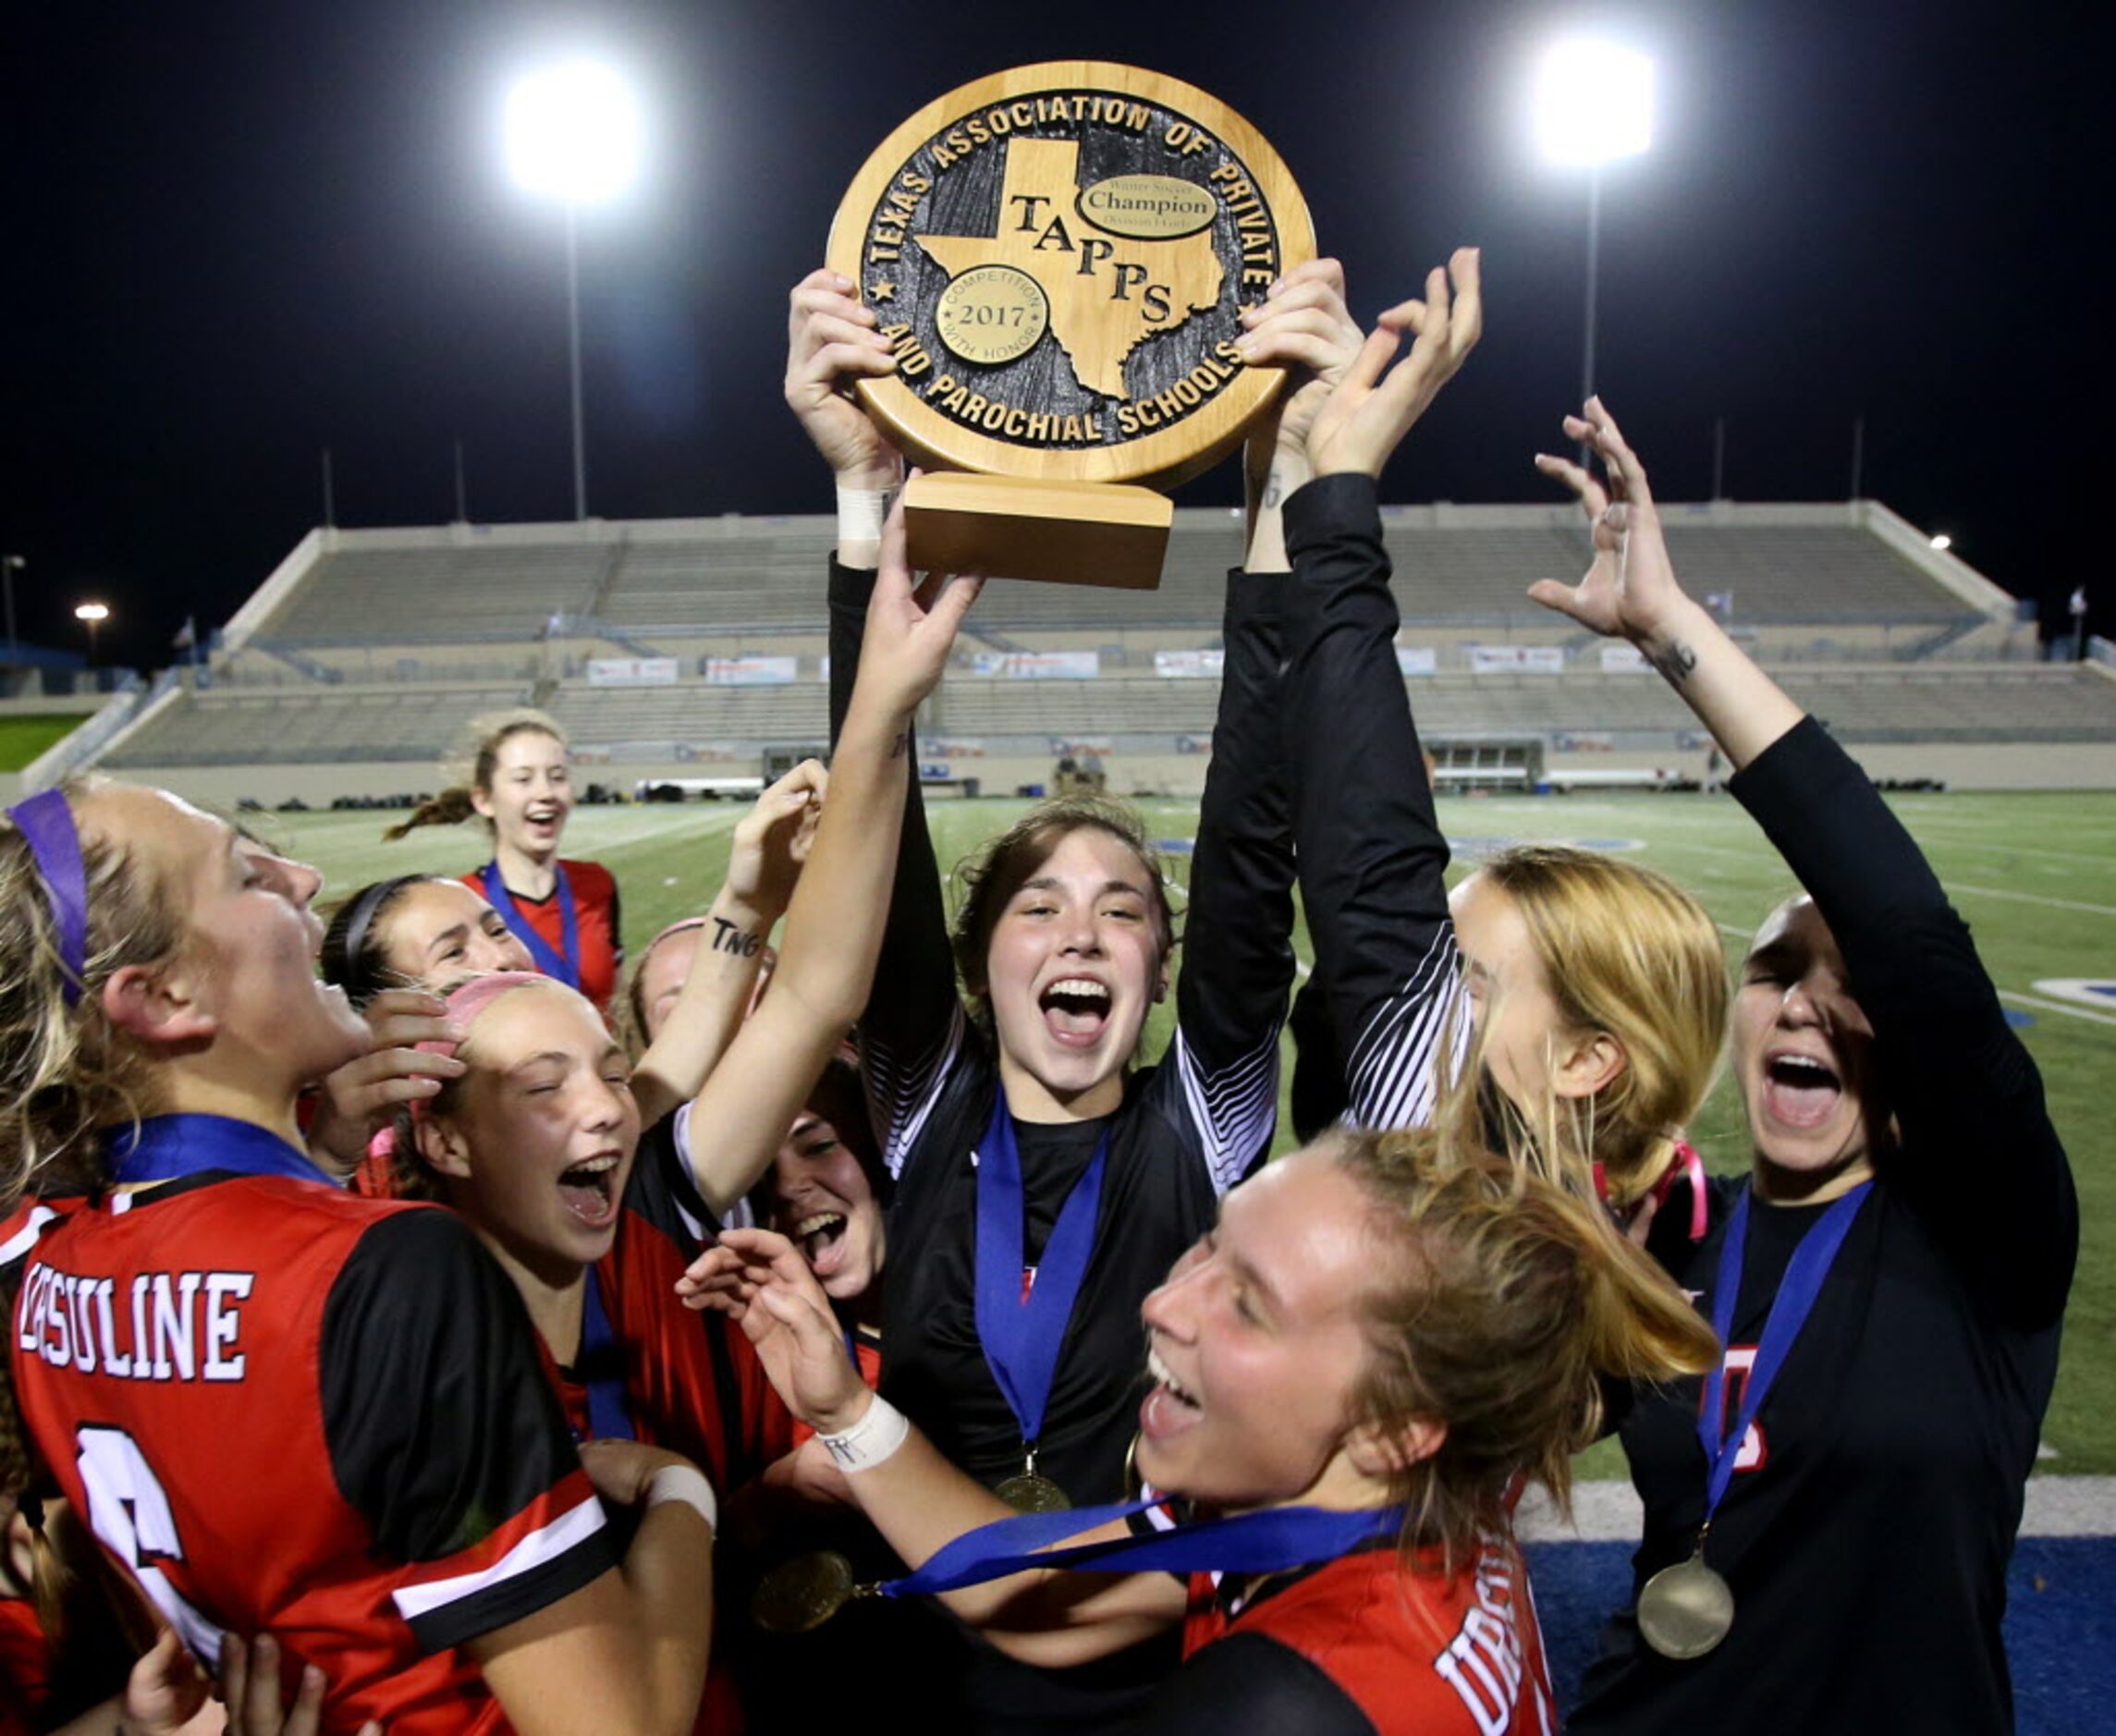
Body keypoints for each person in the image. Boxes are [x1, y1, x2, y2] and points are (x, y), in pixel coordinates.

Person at [1525, 400, 2076, 1732]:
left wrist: (1673, 639)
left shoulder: (1986, 1224)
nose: (1811, 1009)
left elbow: (1905, 928)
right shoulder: (1676, 1225)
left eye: (1854, 988)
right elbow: (1512, 1437)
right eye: (1776, 972)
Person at [0, 782, 715, 1736]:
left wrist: (319, 1149)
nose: (305, 878)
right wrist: (680, 1495)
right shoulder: (387, 1268)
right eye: (248, 877)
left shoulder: (45, 1263)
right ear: (163, 996)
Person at [693, 1123, 1719, 1735]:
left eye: (1250, 1304)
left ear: (1399, 1425)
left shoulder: (1277, 1707)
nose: (1165, 1303)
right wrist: (845, 1412)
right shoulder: (1385, 1511)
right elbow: (1029, 1591)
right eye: (1210, 1248)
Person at [1265, 249, 1726, 1225]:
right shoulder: (1568, 1219)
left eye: (1459, 980)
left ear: (1586, 1059)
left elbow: (1372, 884)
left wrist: (1340, 491)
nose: (1409, 976)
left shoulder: (1470, 1226)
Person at [324, 762, 826, 1220]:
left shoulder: (597, 1119)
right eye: (453, 954)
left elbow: (678, 1057)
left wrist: (748, 903)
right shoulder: (356, 1178)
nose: (500, 957)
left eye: (497, 930)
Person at [384, 709, 625, 1015]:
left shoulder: (596, 883)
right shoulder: (460, 903)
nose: (546, 792)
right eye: (523, 779)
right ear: (484, 800)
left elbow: (617, 999)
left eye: (558, 777)